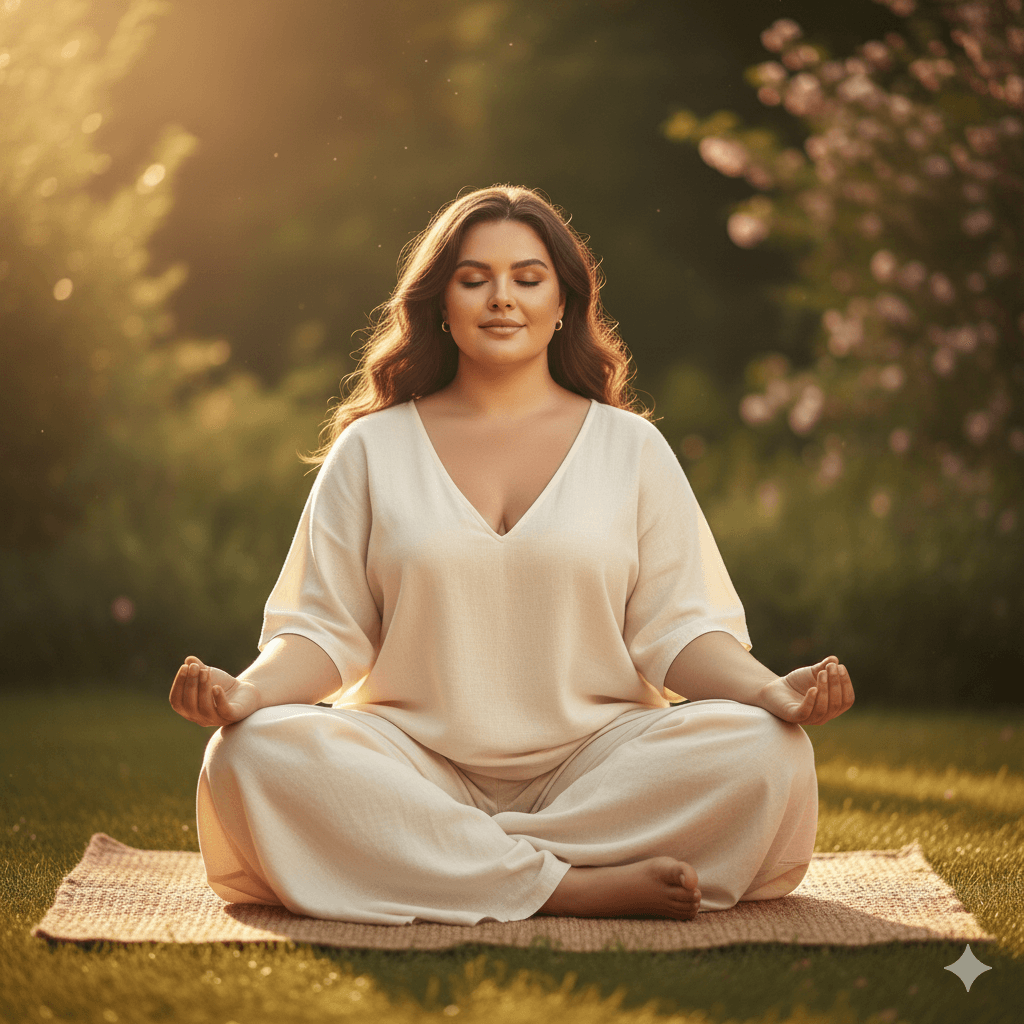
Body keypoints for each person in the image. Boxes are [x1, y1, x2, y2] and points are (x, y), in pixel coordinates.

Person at [169, 185, 854, 926]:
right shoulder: (370, 449)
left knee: (766, 749)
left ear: (564, 303)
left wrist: (770, 694)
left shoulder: (631, 449)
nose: (502, 299)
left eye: (527, 279)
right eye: (474, 279)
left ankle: (438, 862)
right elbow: (322, 630)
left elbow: (679, 628)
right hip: (412, 760)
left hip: (598, 762)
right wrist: (247, 695)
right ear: (440, 301)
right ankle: (569, 885)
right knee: (251, 751)